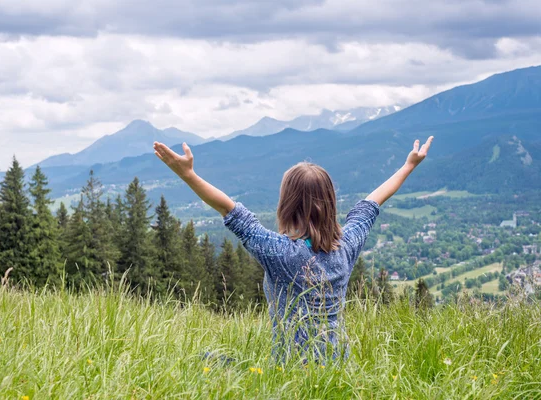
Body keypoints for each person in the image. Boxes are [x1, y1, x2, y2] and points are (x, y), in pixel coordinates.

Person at [153, 136, 433, 363]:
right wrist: (409, 165)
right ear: (331, 203)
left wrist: (188, 174)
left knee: (203, 360)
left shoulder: (281, 254)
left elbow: (230, 210)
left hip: (291, 365)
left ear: (286, 204)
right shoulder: (345, 246)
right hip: (338, 363)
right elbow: (371, 204)